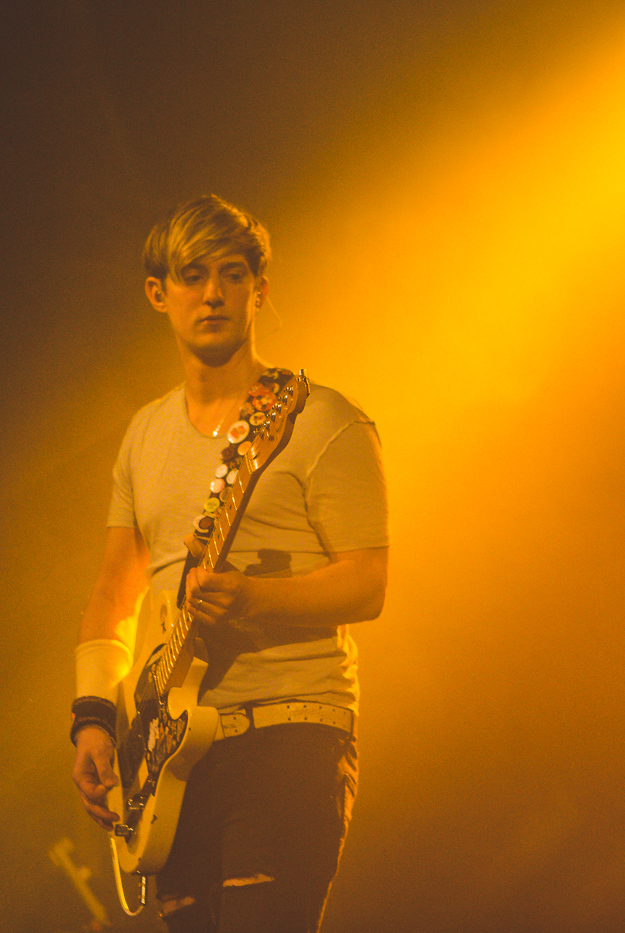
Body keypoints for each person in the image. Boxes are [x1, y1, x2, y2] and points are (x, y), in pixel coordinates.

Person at [70, 194, 389, 933]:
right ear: (159, 292)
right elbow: (114, 593)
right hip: (175, 758)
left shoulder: (324, 422)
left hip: (290, 734)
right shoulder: (144, 435)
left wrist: (257, 599)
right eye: (191, 275)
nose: (212, 292)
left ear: (259, 289)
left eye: (232, 273)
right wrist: (91, 719)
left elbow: (369, 583)